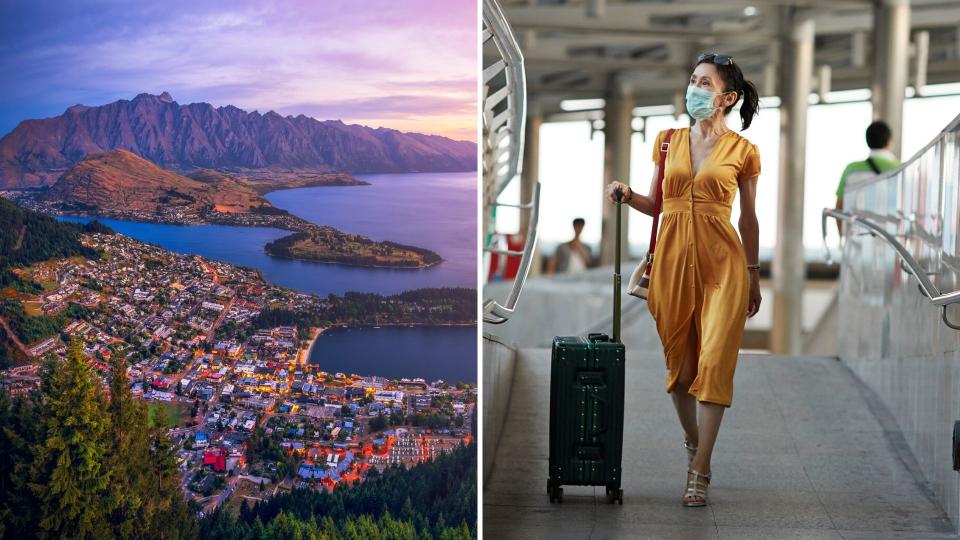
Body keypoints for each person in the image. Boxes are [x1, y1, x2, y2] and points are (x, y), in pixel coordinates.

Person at [605, 52, 762, 507]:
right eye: (692, 80)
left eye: (704, 83)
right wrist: (627, 193)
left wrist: (753, 275)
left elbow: (749, 222)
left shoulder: (743, 152)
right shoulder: (668, 141)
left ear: (726, 97)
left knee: (714, 364)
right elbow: (658, 204)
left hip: (724, 265)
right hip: (672, 262)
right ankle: (694, 443)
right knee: (681, 371)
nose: (693, 88)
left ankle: (701, 468)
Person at [834, 120, 900, 235]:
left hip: (856, 239)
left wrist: (843, 236)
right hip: (890, 239)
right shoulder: (902, 169)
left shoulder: (851, 170)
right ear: (889, 141)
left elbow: (839, 207)